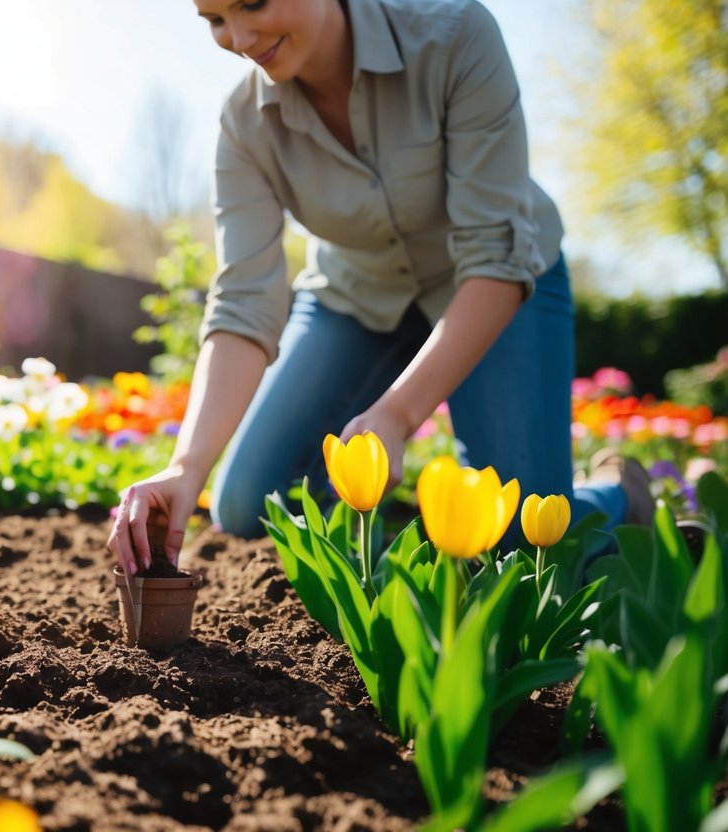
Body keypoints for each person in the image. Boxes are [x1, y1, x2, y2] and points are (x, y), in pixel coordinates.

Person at [108, 0, 650, 576]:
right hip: (357, 297)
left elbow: (495, 254)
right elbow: (244, 301)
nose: (239, 36)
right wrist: (186, 467)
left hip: (499, 285)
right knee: (248, 504)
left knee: (522, 544)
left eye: (252, 2)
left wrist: (395, 415)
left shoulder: (454, 34)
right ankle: (411, 555)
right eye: (214, 19)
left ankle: (617, 493)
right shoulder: (245, 125)